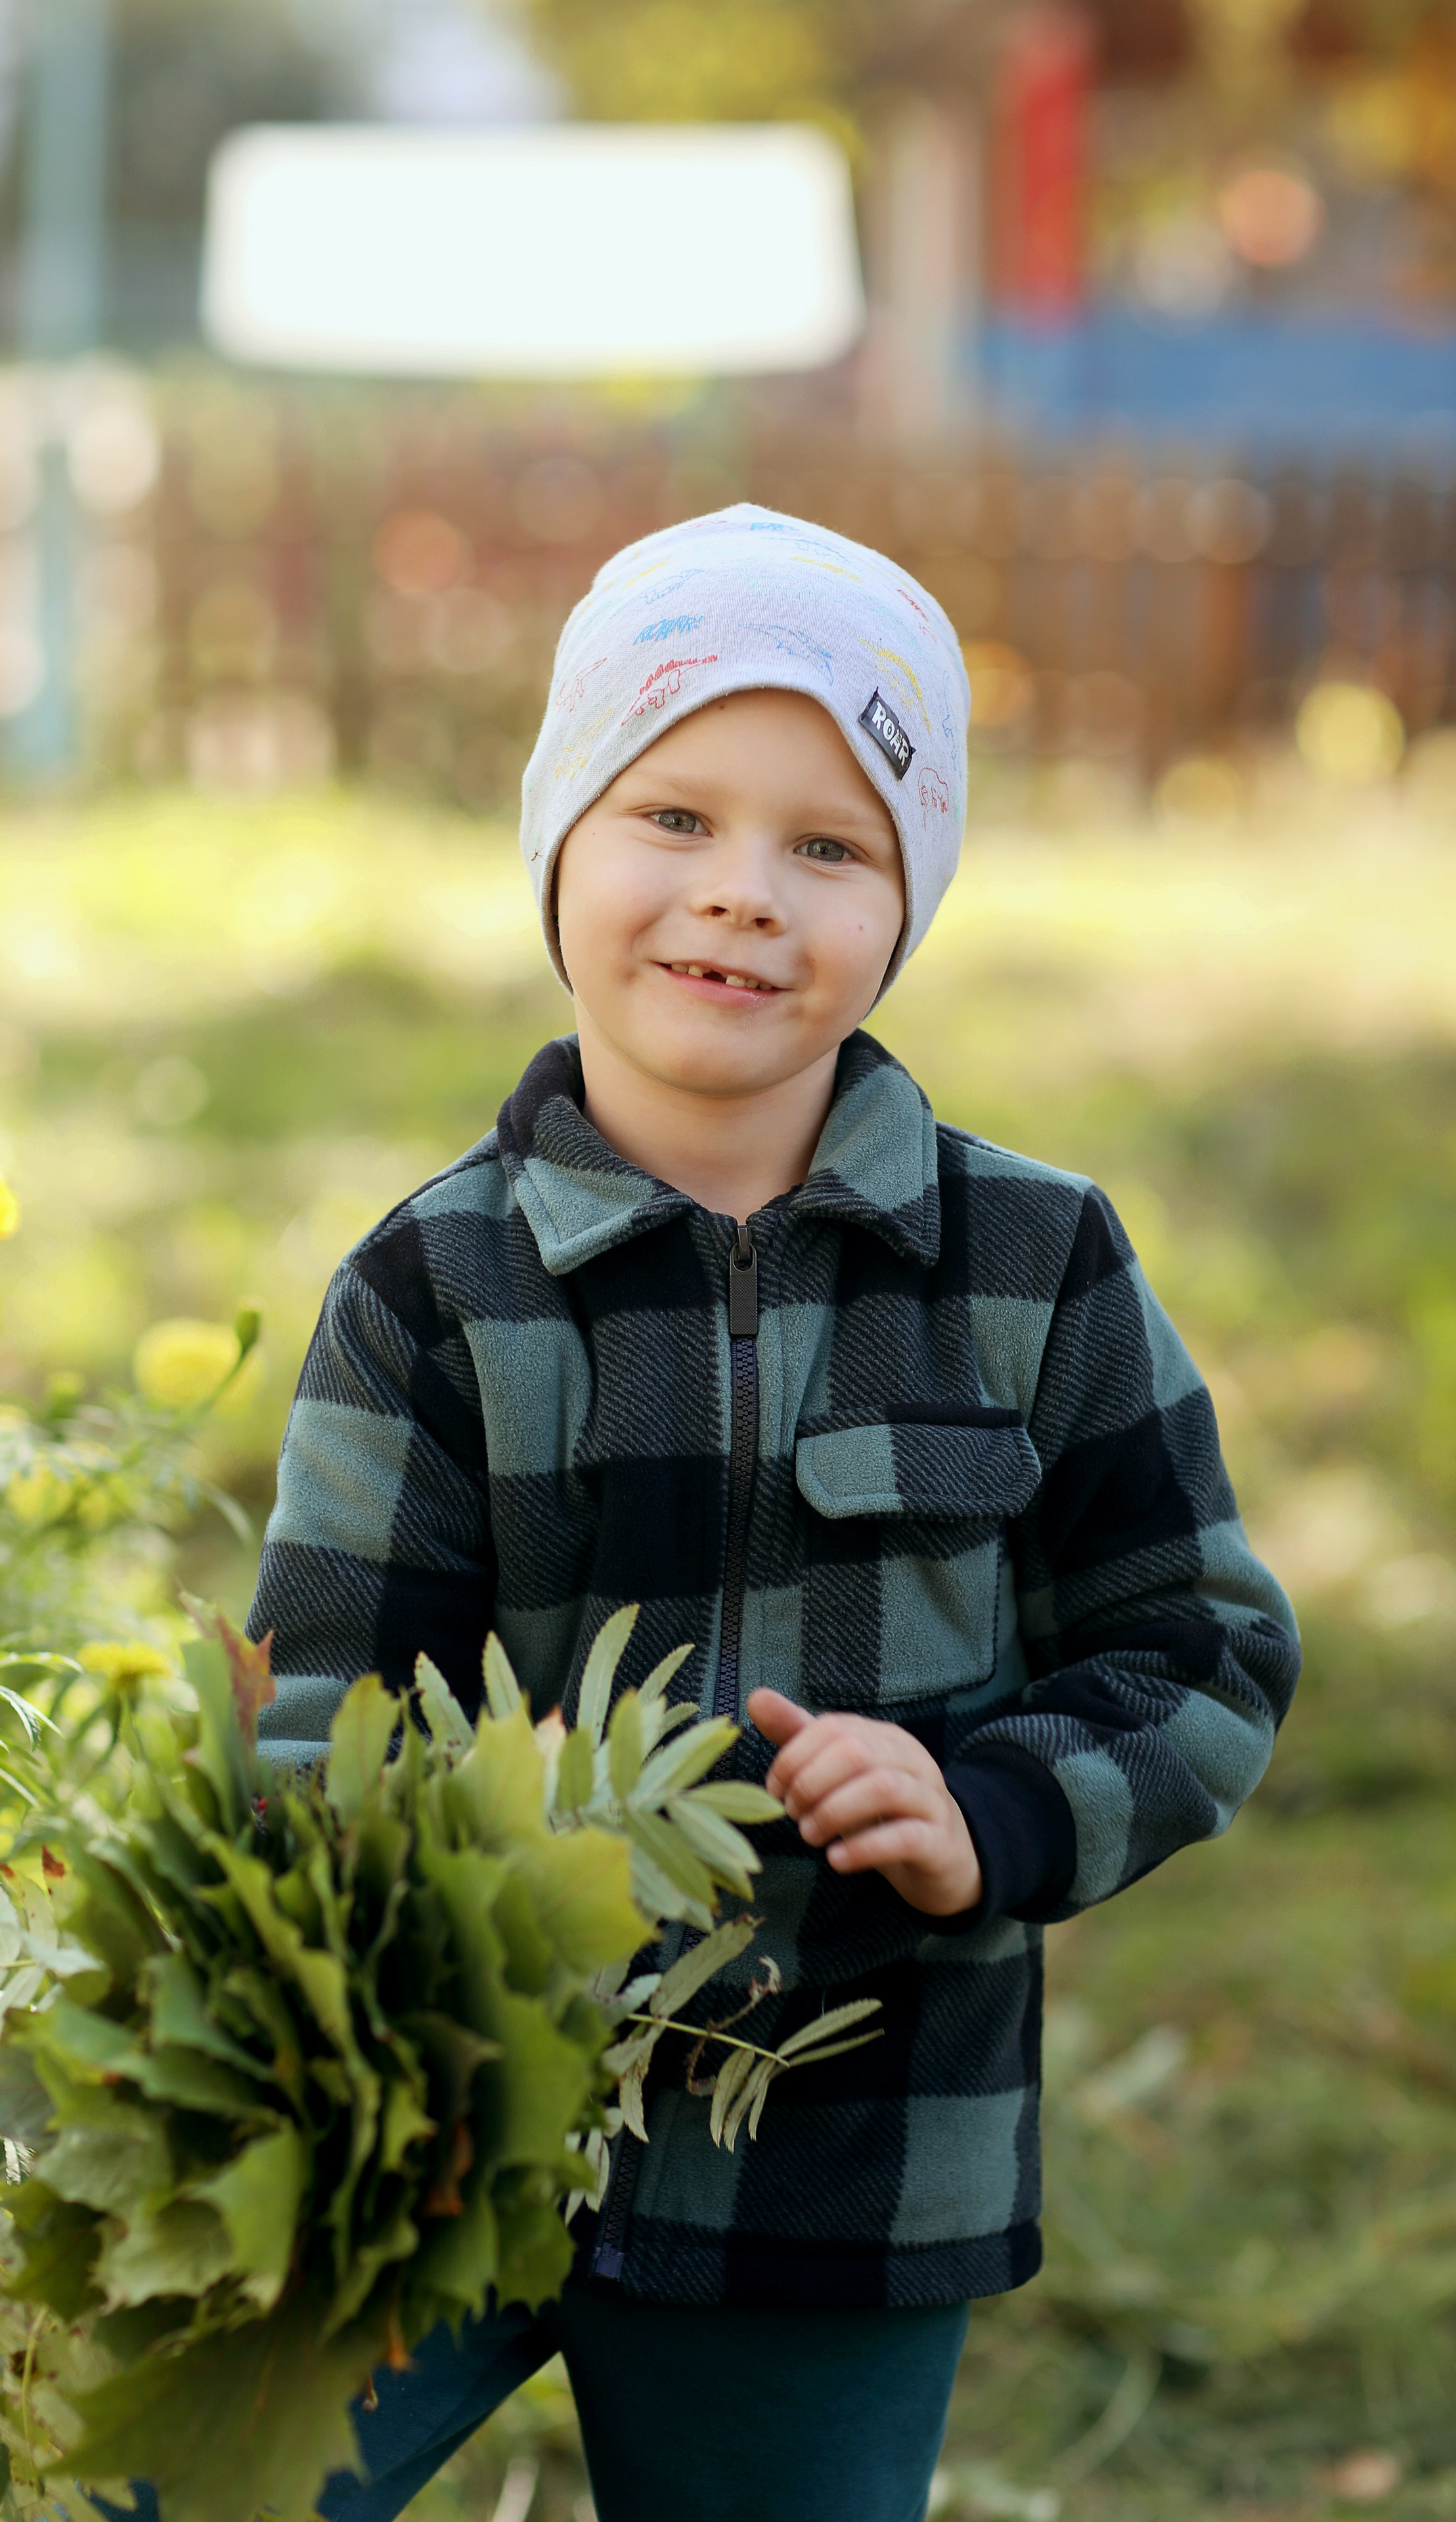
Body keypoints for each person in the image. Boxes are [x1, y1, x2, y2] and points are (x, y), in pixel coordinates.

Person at [236, 506, 1298, 2520]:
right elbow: (319, 1701)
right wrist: (434, 1873)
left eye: (829, 846)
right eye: (674, 816)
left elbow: (1206, 1647)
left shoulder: (1036, 1263)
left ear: (910, 904)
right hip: (439, 2101)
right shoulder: (435, 1288)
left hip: (848, 2143)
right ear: (559, 840)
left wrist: (989, 1812)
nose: (741, 897)